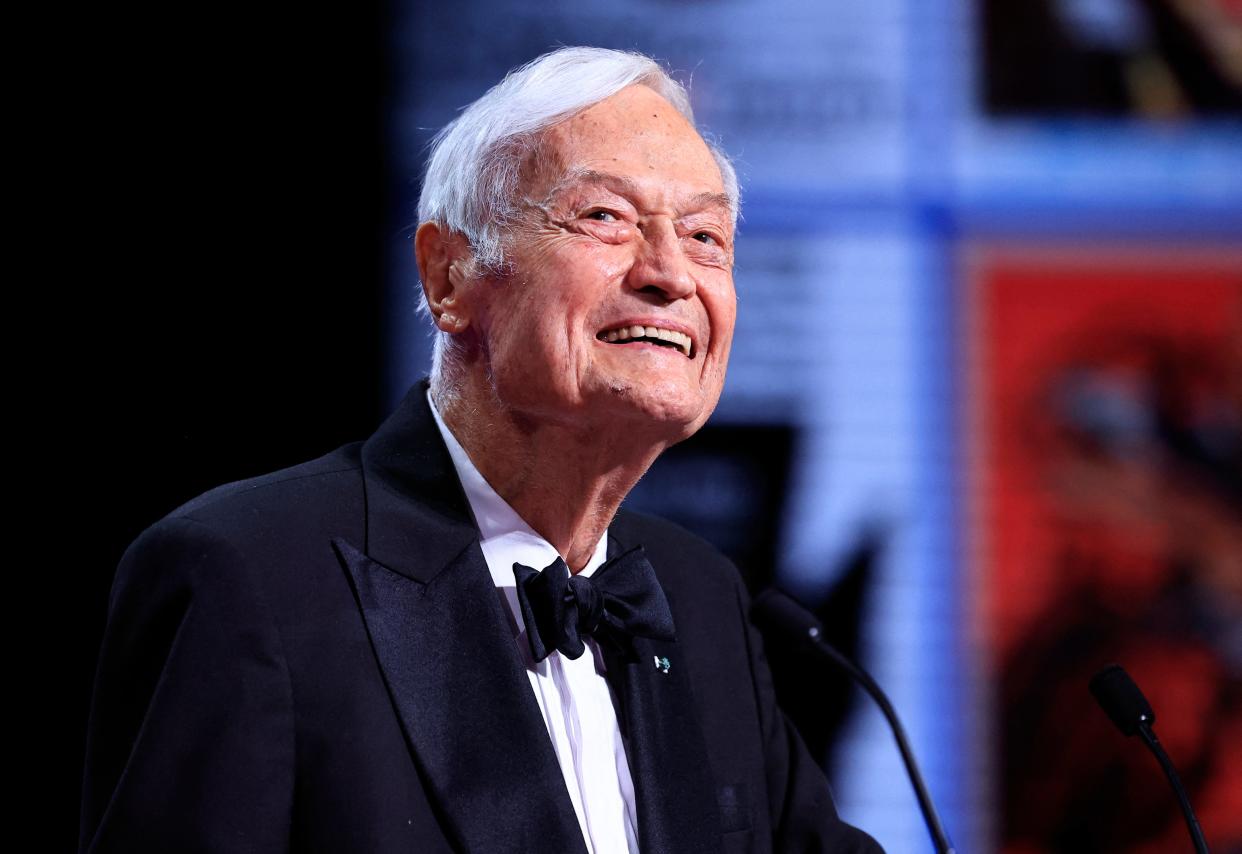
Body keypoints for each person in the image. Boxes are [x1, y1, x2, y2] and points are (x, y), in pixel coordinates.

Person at [80, 46, 883, 854]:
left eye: (707, 235)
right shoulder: (247, 576)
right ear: (449, 275)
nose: (672, 273)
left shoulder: (701, 600)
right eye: (604, 217)